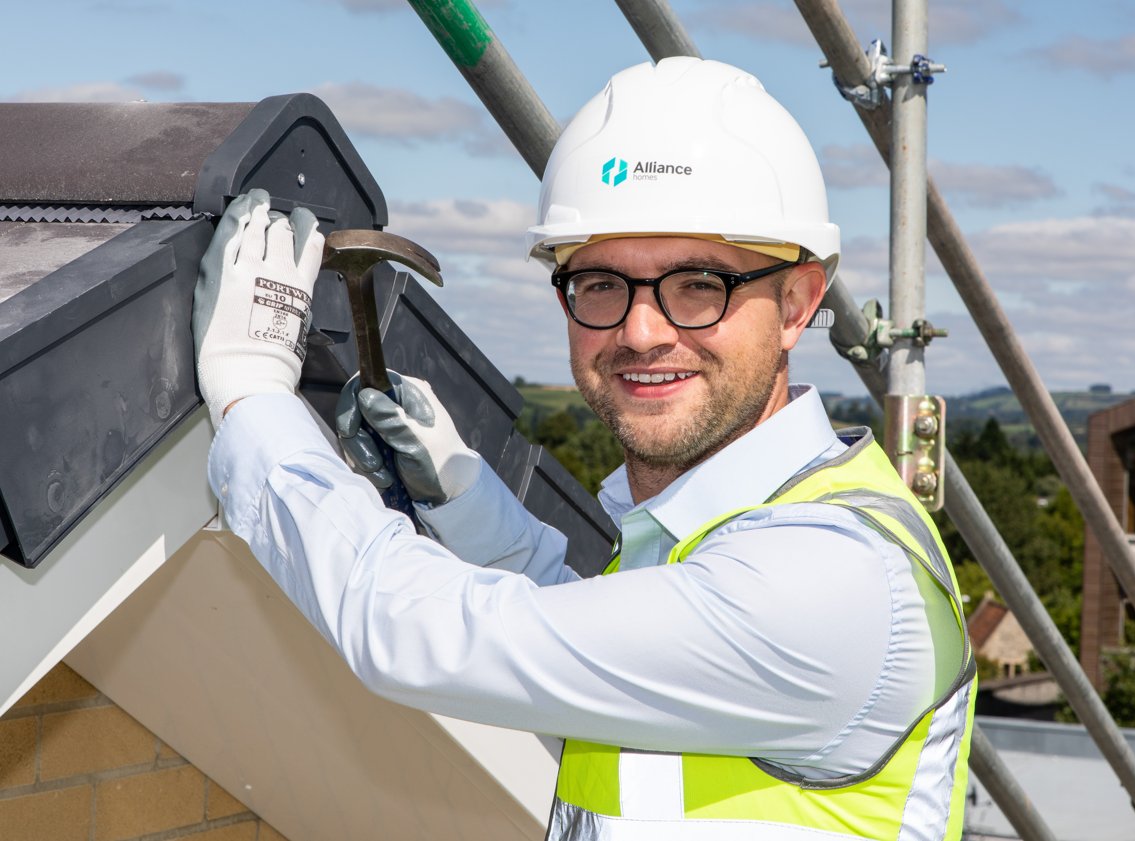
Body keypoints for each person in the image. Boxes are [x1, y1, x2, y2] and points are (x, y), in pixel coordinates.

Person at [194, 57, 975, 841]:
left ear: (798, 304)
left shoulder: (830, 578)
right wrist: (466, 502)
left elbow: (422, 633)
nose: (640, 331)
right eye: (600, 283)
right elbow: (590, 648)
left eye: (700, 284)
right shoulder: (713, 532)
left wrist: (255, 402)